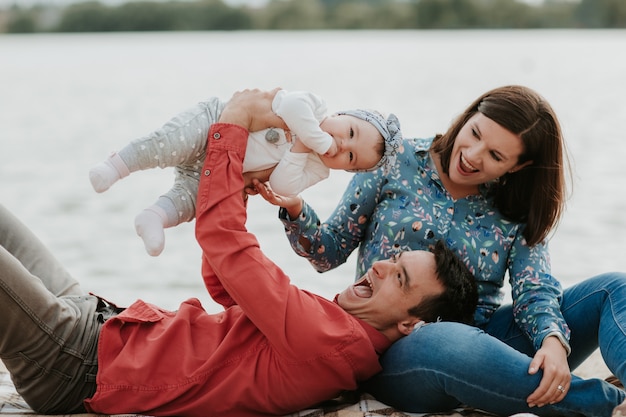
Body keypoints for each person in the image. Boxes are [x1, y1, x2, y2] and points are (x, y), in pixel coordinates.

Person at [0, 89, 478, 417]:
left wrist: (232, 126)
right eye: (393, 260)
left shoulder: (330, 342)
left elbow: (223, 243)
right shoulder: (337, 328)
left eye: (399, 278)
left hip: (77, 362)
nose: (378, 265)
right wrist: (240, 190)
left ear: (411, 325)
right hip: (101, 324)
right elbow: (228, 284)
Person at [252, 85, 626, 416]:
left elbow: (535, 289)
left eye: (496, 156)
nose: (473, 155)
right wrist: (297, 210)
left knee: (613, 288)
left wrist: (553, 342)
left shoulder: (517, 208)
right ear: (468, 115)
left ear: (519, 166)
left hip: (490, 340)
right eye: (475, 133)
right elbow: (327, 252)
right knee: (443, 341)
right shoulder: (393, 161)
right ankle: (606, 405)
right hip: (399, 349)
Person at [89, 89, 402, 256]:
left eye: (349, 156)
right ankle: (117, 165)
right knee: (166, 144)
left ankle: (154, 217)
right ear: (342, 114)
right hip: (214, 122)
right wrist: (316, 138)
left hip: (226, 167)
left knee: (194, 198)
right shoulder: (314, 107)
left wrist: (303, 149)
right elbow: (290, 106)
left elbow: (281, 184)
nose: (341, 144)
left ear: (348, 170)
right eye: (348, 131)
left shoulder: (318, 169)